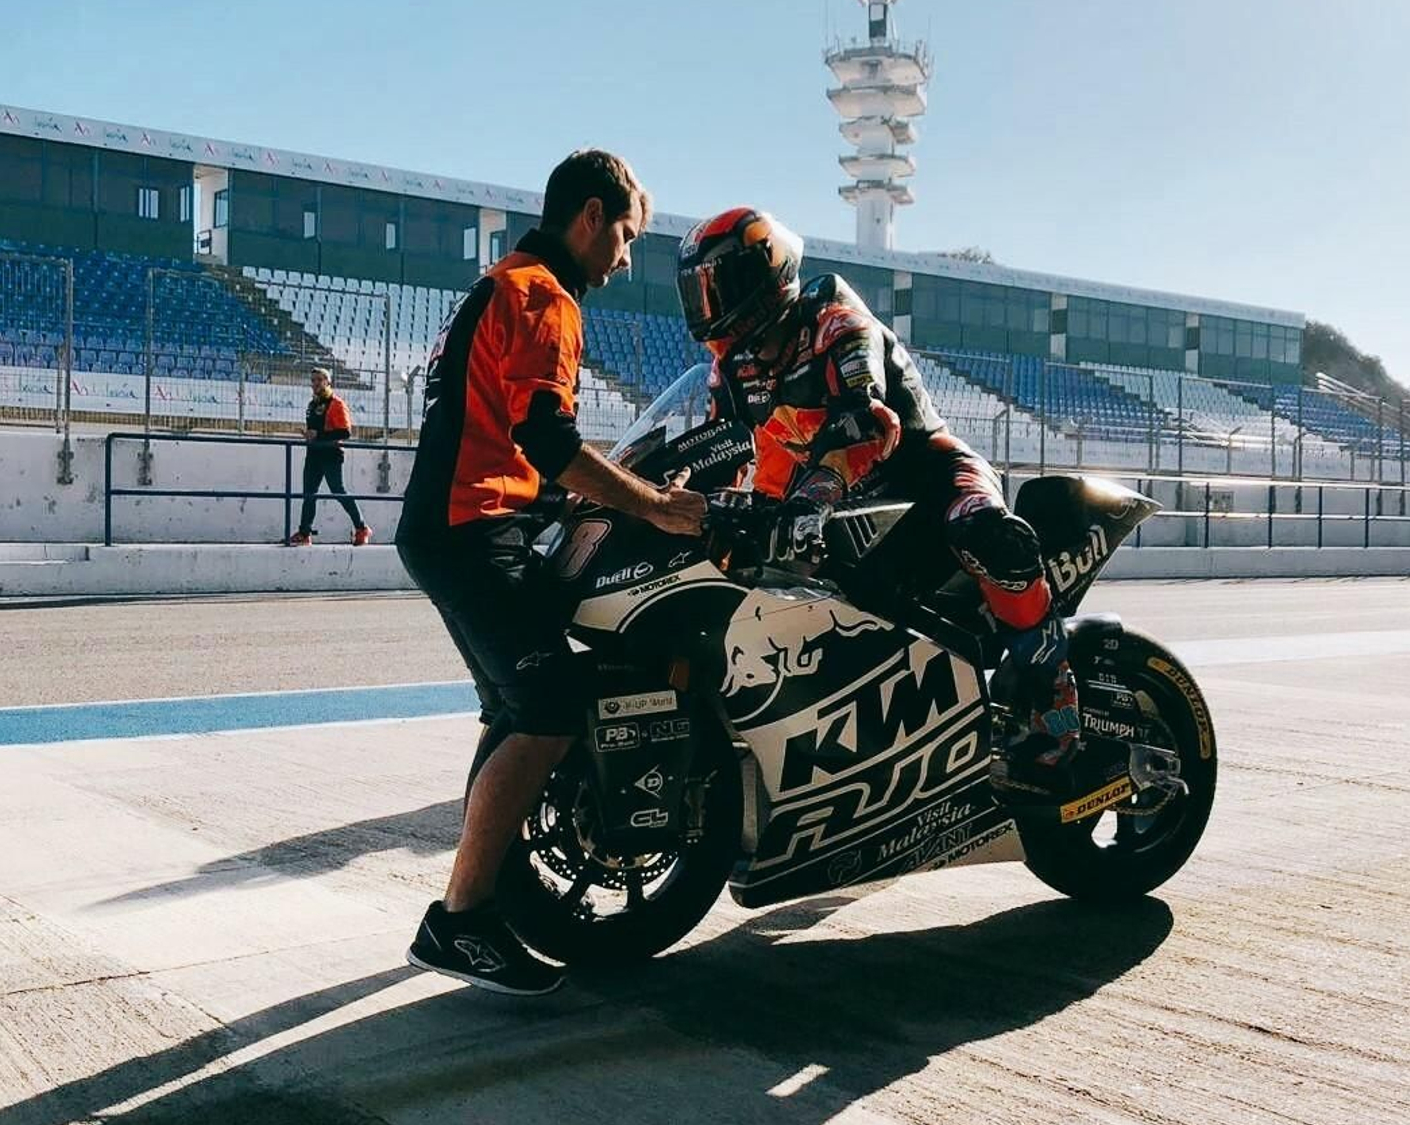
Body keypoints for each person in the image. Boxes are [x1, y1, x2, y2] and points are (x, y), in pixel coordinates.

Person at [397, 150, 705, 996]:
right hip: (470, 531)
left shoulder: (504, 281)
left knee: (517, 705)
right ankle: (457, 922)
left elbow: (506, 438)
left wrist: (556, 503)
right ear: (591, 215)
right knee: (551, 704)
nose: (626, 257)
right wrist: (651, 504)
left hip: (461, 524)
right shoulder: (544, 297)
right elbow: (547, 440)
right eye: (628, 236)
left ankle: (484, 904)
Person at [676, 207, 1089, 797]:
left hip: (928, 478)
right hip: (843, 513)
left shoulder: (838, 324)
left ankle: (1054, 697)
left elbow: (868, 423)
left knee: (986, 533)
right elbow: (721, 454)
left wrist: (808, 500)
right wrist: (692, 506)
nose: (707, 304)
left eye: (718, 286)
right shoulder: (732, 371)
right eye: (697, 292)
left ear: (764, 275)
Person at [288, 366, 371, 547]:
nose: (316, 384)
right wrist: (309, 435)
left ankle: (361, 527)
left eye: (320, 380)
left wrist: (318, 436)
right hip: (314, 454)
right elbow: (315, 430)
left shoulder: (336, 403)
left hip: (331, 454)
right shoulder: (312, 405)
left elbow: (345, 432)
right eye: (313, 380)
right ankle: (304, 533)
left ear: (328, 382)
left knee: (338, 491)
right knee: (309, 493)